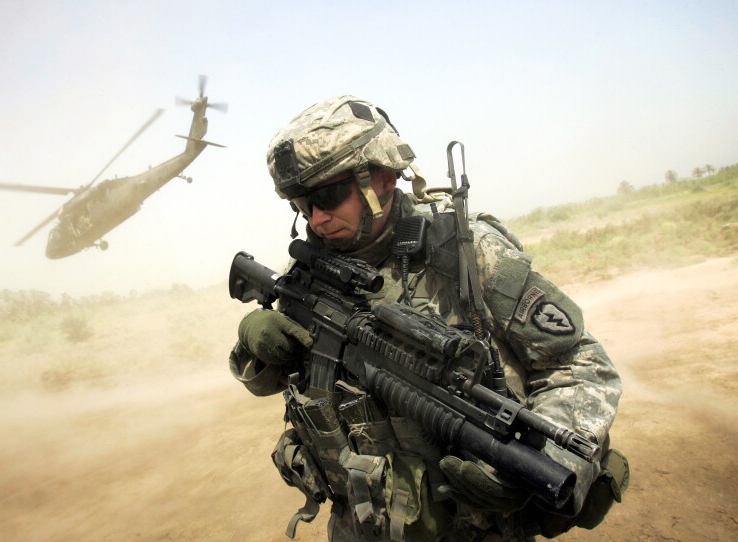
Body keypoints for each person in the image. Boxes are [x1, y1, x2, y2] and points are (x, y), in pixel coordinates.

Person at [229, 96, 628, 541]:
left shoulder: (466, 253)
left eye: (328, 194)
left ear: (382, 176)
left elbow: (581, 365)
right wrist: (254, 349)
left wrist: (547, 461)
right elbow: (276, 382)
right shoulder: (308, 273)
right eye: (302, 203)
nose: (317, 218)